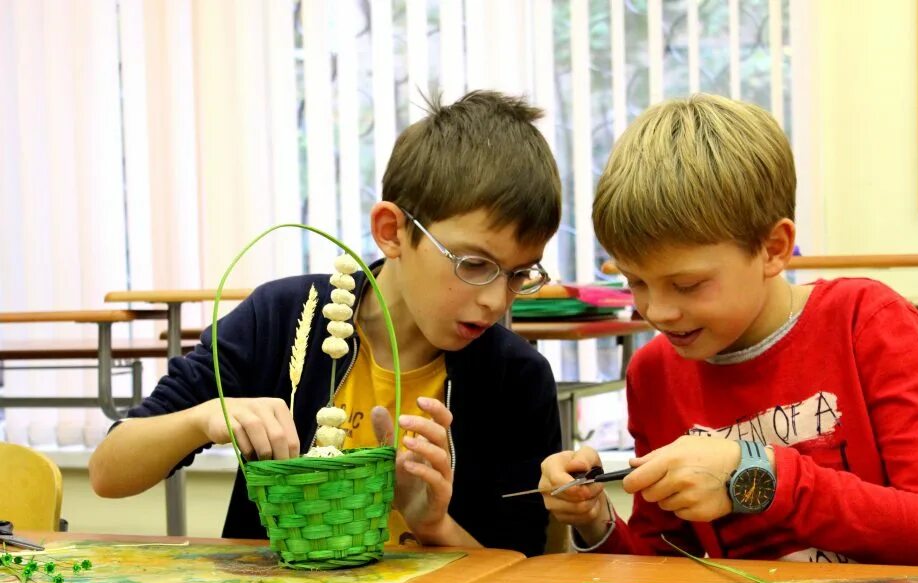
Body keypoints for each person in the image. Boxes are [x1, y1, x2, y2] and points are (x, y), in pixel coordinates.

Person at [90, 91, 563, 557]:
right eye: (474, 265)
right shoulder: (281, 318)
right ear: (392, 232)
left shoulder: (517, 378)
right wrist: (206, 415)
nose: (497, 300)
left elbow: (518, 574)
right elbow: (108, 473)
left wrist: (432, 523)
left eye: (520, 273)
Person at [539, 93, 918, 568]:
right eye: (635, 281)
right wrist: (596, 519)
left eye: (687, 285)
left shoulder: (866, 323)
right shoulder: (655, 373)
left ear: (774, 248)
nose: (657, 311)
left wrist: (757, 475)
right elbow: (664, 565)